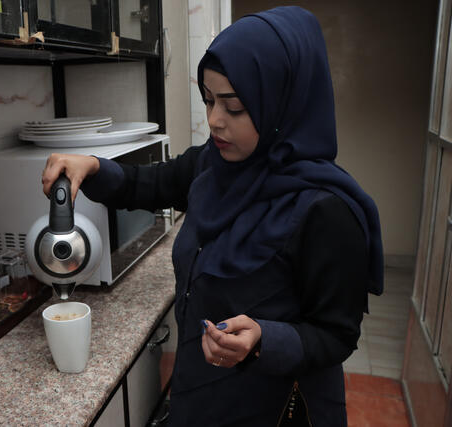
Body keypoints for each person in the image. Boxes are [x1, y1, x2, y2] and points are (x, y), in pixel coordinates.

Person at [41, 6, 383, 426]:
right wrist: (92, 166)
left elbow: (337, 335)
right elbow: (150, 184)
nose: (214, 121)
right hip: (201, 396)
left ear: (281, 103)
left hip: (272, 408)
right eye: (208, 100)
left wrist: (265, 339)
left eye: (235, 107)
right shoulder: (214, 166)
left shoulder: (326, 212)